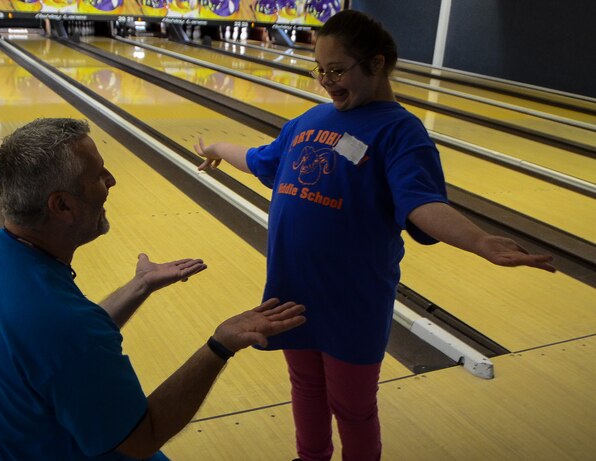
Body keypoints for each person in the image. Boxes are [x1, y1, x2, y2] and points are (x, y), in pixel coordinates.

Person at [193, 9, 555, 461]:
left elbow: (421, 203)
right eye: (320, 69)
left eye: (338, 69)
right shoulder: (307, 121)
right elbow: (261, 159)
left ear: (377, 64)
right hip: (290, 292)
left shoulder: (400, 132)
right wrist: (217, 150)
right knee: (304, 387)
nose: (326, 79)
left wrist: (478, 241)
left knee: (353, 407)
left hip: (353, 303)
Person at [0, 118, 306, 461]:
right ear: (62, 205)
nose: (111, 180)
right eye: (97, 176)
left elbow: (58, 354)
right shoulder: (59, 325)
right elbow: (142, 438)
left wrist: (139, 287)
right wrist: (220, 344)